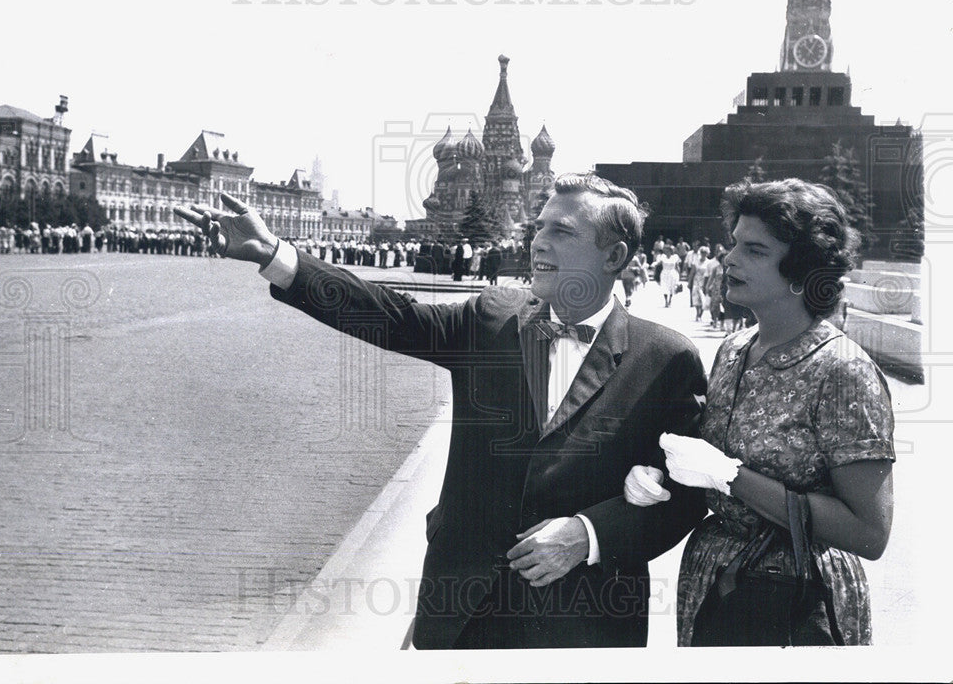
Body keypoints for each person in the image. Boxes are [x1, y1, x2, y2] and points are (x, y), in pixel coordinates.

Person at [176, 172, 706, 649]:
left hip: (583, 625)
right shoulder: (492, 319)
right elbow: (390, 316)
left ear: (614, 257)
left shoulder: (666, 358)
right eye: (540, 226)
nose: (538, 241)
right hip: (461, 612)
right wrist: (274, 254)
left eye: (562, 232)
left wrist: (586, 535)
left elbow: (685, 499)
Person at [623, 178, 895, 646]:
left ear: (802, 271)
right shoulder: (734, 349)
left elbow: (869, 533)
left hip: (795, 602)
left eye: (754, 250)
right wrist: (659, 473)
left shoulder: (842, 371)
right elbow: (713, 457)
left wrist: (731, 477)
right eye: (734, 244)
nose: (729, 259)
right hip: (714, 583)